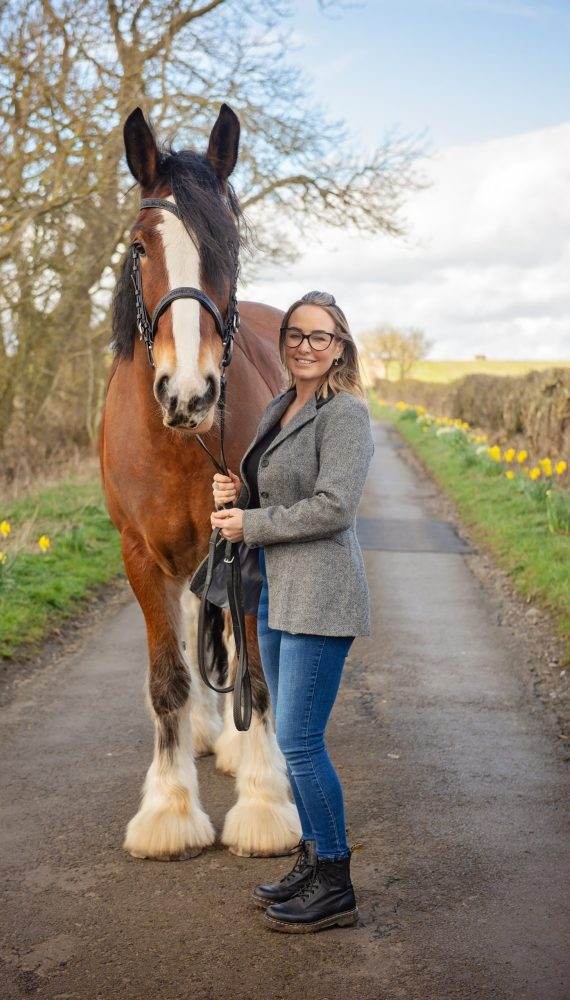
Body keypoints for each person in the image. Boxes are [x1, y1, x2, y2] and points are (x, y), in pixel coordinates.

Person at [210, 290, 375, 934]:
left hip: (322, 596)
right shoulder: (281, 406)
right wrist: (236, 491)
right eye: (297, 335)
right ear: (283, 342)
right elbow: (271, 487)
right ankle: (312, 859)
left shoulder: (347, 415)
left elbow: (334, 507)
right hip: (277, 588)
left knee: (303, 742)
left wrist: (249, 522)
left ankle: (336, 884)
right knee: (289, 737)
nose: (307, 346)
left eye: (322, 337)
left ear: (340, 348)